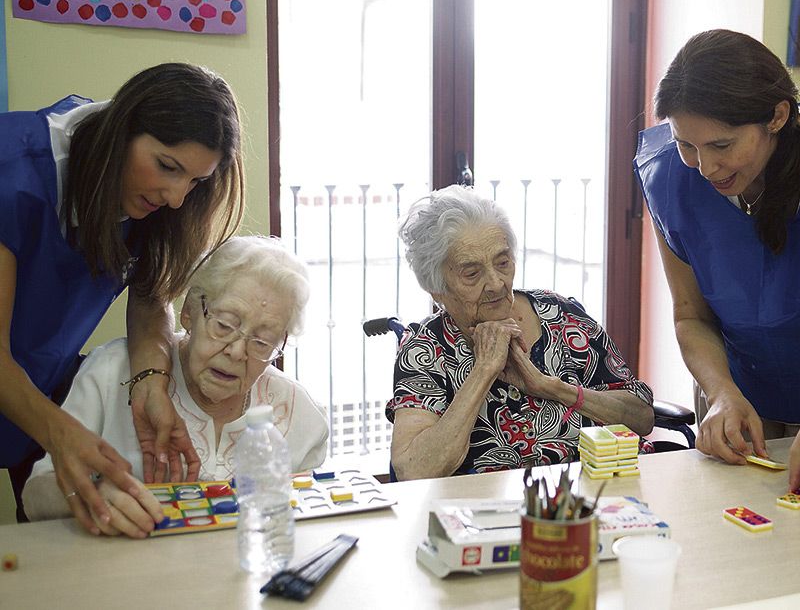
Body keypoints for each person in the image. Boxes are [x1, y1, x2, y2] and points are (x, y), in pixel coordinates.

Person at [636, 29, 800, 504]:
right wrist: (720, 393)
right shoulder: (666, 175)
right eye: (687, 145)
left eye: (722, 145)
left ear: (778, 116)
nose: (705, 167)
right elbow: (690, 316)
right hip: (735, 398)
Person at [0, 63, 245, 531]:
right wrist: (62, 434)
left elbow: (152, 295)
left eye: (194, 181)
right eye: (167, 167)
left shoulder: (153, 200)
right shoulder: (13, 175)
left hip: (37, 388)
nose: (175, 197)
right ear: (121, 128)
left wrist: (150, 379)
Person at [22, 236, 328, 537]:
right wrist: (93, 496)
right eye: (223, 325)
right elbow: (35, 496)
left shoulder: (299, 414)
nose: (237, 352)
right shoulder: (112, 371)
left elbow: (309, 528)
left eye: (262, 342)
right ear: (189, 311)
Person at [387, 186, 654, 479]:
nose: (497, 283)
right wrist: (484, 370)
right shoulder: (425, 349)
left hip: (595, 495)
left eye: (503, 263)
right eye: (472, 273)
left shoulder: (561, 316)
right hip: (487, 514)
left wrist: (550, 387)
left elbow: (642, 417)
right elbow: (413, 471)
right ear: (436, 287)